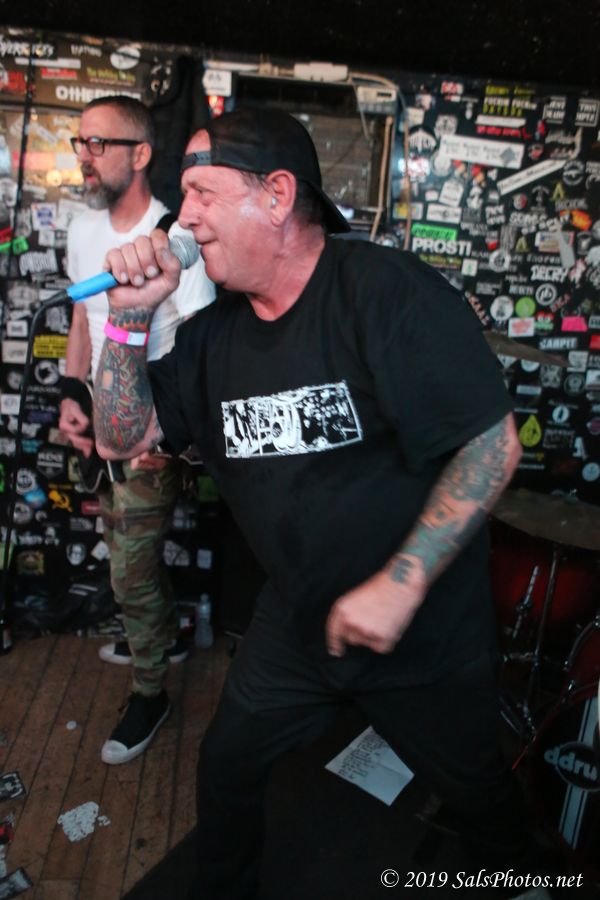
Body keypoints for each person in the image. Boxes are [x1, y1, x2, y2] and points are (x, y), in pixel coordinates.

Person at [92, 108, 529, 898]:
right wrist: (128, 315)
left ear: (277, 195)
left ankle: (521, 876)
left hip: (425, 632)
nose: (183, 219)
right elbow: (123, 438)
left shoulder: (383, 292)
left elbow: (492, 445)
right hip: (299, 624)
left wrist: (402, 583)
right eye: (183, 200)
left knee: (476, 791)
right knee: (227, 766)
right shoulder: (210, 339)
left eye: (202, 194)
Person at [59, 96, 215, 766]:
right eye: (80, 142)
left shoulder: (173, 240)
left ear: (142, 153)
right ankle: (164, 638)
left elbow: (200, 349)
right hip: (102, 421)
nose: (85, 156)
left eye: (99, 143)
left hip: (153, 433)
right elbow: (84, 318)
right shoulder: (81, 228)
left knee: (129, 573)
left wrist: (170, 444)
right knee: (128, 557)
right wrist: (74, 395)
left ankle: (150, 694)